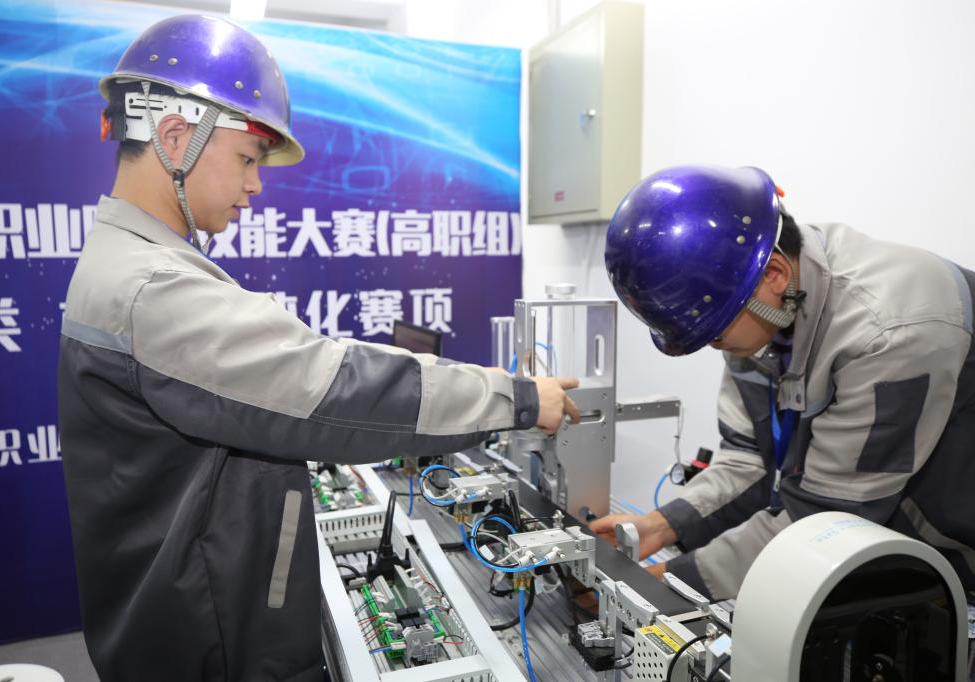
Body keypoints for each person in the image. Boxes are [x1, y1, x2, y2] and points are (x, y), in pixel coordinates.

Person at [58, 14, 578, 681]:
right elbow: (332, 387)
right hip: (210, 646)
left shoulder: (130, 264)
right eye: (247, 159)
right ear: (175, 137)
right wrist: (519, 399)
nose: (255, 185)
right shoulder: (151, 287)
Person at [590, 165, 974, 605]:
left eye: (715, 331)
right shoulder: (761, 298)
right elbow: (747, 461)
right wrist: (659, 526)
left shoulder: (889, 333)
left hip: (955, 560)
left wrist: (665, 584)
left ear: (773, 275)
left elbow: (828, 519)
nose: (715, 345)